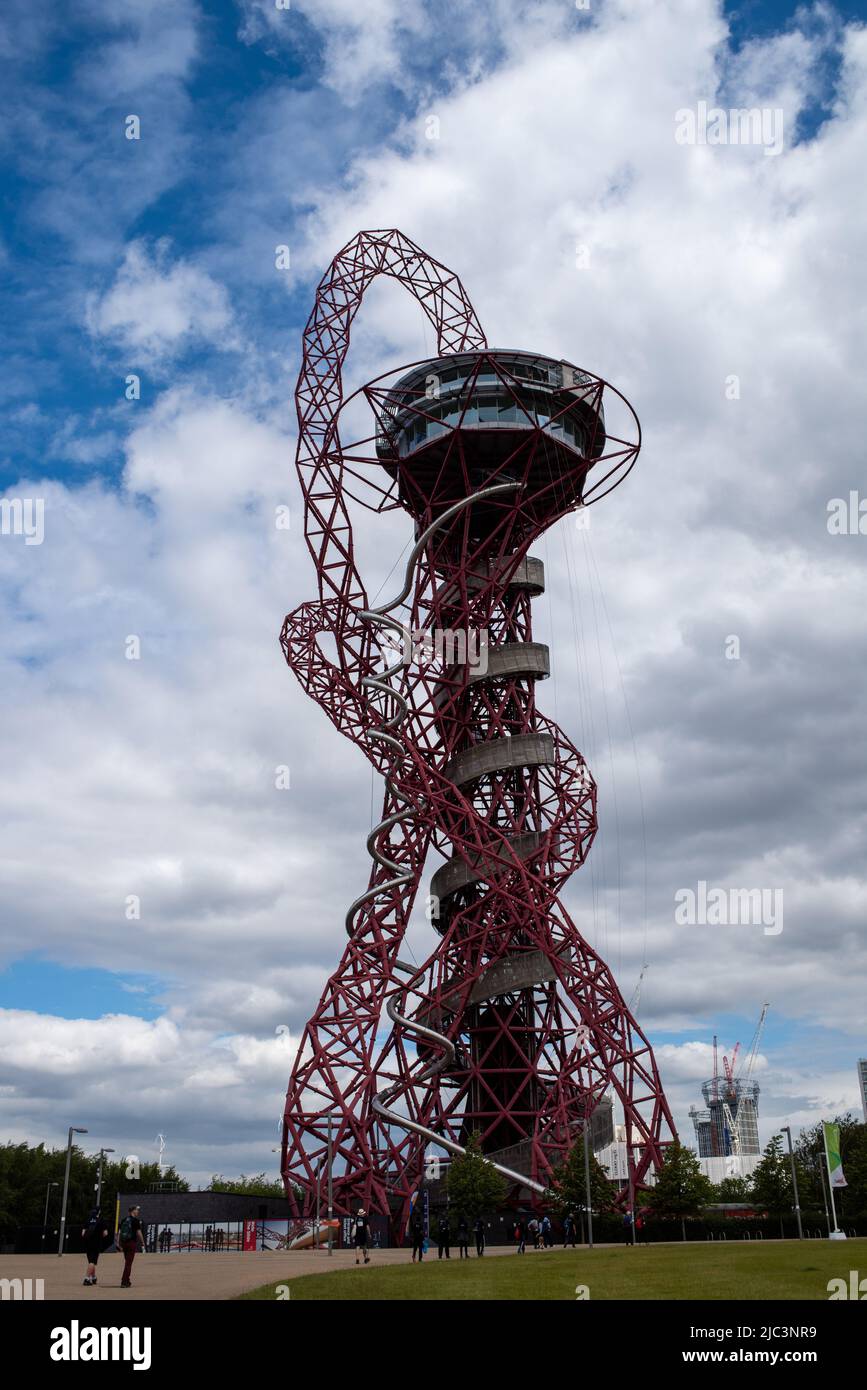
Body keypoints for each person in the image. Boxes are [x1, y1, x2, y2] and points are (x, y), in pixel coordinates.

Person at [119, 1204, 145, 1287]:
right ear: (133, 1211)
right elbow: (139, 1232)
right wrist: (142, 1242)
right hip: (131, 1243)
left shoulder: (124, 1220)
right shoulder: (135, 1221)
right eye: (137, 1210)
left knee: (127, 1262)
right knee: (128, 1263)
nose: (138, 1211)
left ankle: (127, 1280)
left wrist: (119, 1243)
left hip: (124, 1243)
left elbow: (119, 1232)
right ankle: (124, 1281)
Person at [81, 1208, 109, 1286]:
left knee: (91, 1260)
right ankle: (87, 1279)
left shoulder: (88, 1220)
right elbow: (105, 1233)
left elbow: (83, 1234)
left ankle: (93, 1277)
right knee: (92, 1262)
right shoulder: (101, 1221)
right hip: (96, 1243)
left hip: (87, 1243)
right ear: (99, 1212)